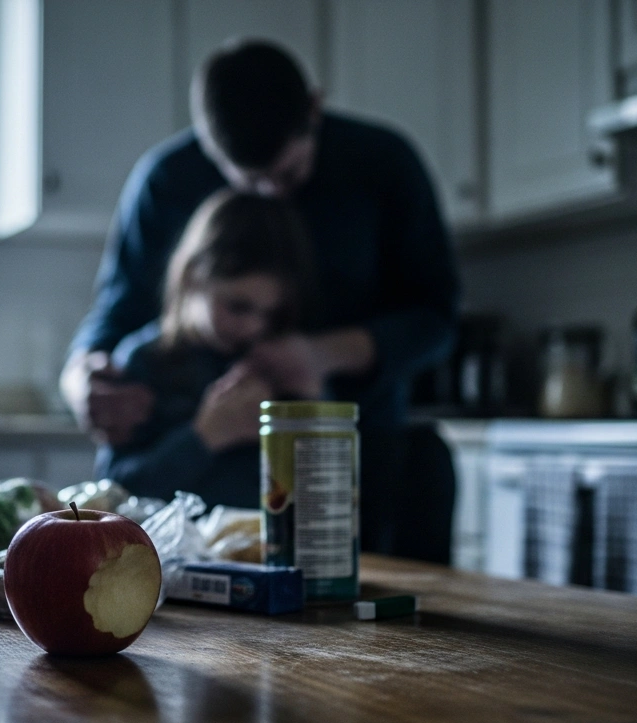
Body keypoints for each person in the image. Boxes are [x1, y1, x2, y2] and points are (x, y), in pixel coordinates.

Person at [62, 39, 460, 563]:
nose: (271, 199)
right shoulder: (166, 179)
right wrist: (79, 381)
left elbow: (436, 317)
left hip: (362, 438)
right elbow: (116, 314)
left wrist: (320, 359)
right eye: (246, 181)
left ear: (314, 109)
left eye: (289, 175)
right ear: (205, 142)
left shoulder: (384, 164)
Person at [97, 190, 315, 508]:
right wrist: (205, 436)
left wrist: (308, 408)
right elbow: (111, 492)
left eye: (272, 314)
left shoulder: (279, 366)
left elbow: (311, 494)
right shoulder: (144, 361)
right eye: (238, 307)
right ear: (192, 277)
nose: (255, 327)